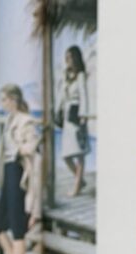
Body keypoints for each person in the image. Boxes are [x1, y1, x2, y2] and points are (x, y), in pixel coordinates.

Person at [0, 83, 41, 254]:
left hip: (17, 170)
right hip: (7, 171)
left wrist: (17, 150)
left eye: (4, 99)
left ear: (13, 100)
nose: (2, 103)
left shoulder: (26, 120)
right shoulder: (9, 119)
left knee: (17, 227)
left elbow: (32, 146)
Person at [55, 45, 89, 198]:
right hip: (67, 117)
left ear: (75, 58)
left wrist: (83, 115)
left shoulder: (81, 75)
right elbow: (61, 96)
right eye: (66, 57)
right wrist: (57, 111)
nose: (67, 60)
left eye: (69, 57)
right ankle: (80, 180)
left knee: (79, 153)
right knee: (66, 155)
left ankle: (76, 187)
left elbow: (83, 95)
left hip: (76, 115)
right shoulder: (66, 76)